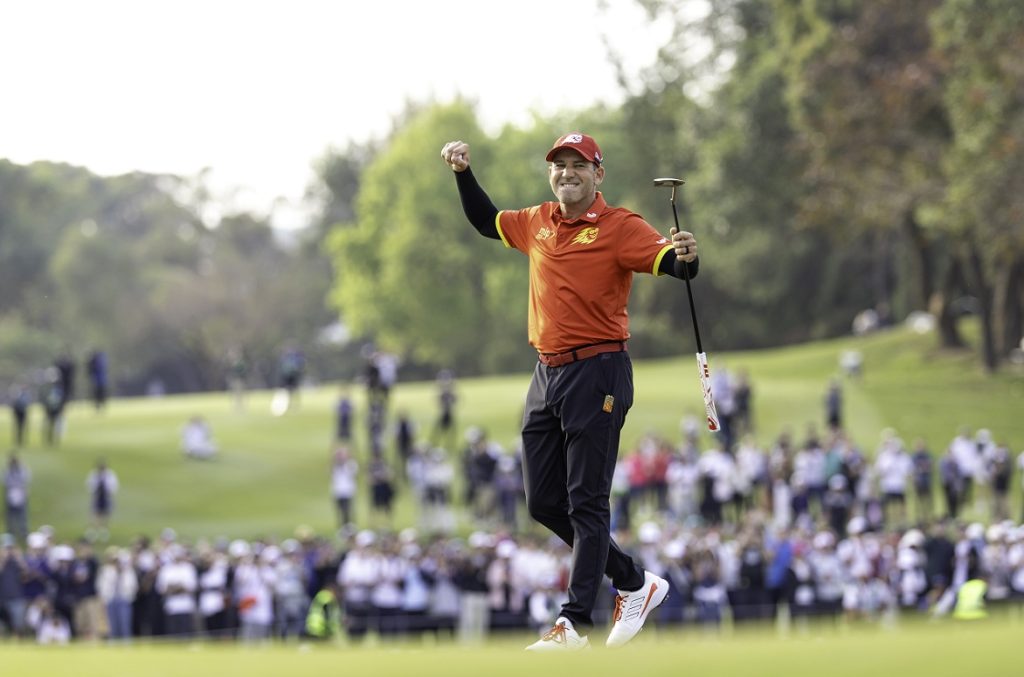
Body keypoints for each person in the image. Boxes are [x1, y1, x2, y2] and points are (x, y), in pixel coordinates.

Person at [441, 132, 699, 650]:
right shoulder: (537, 221)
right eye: (559, 165)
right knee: (543, 501)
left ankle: (573, 623)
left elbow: (672, 263)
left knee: (587, 500)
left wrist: (687, 256)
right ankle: (632, 581)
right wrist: (463, 174)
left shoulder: (620, 225)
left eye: (578, 165)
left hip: (598, 370)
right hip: (547, 373)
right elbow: (486, 221)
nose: (567, 173)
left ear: (597, 173)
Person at [86, 459, 119, 537]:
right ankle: (93, 530)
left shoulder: (110, 475)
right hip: (97, 496)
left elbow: (114, 486)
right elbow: (89, 484)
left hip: (106, 496)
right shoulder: (94, 474)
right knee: (95, 513)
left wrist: (109, 490)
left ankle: (104, 530)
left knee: (106, 513)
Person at [3, 455, 30, 544]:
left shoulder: (22, 471)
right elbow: (5, 482)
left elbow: (25, 480)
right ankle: (11, 533)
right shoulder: (8, 471)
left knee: (22, 516)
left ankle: (23, 532)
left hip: (20, 495)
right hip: (11, 495)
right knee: (11, 516)